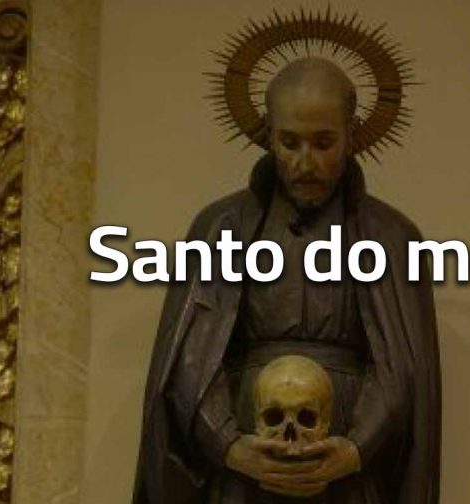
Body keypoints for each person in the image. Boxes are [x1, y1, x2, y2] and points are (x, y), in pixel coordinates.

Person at [133, 13, 441, 504]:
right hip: (244, 461)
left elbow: (403, 370)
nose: (305, 162)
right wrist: (227, 444)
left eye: (323, 143)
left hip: (346, 468)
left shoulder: (391, 237)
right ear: (267, 134)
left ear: (352, 135)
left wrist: (356, 448)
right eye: (289, 142)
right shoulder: (222, 227)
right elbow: (189, 361)